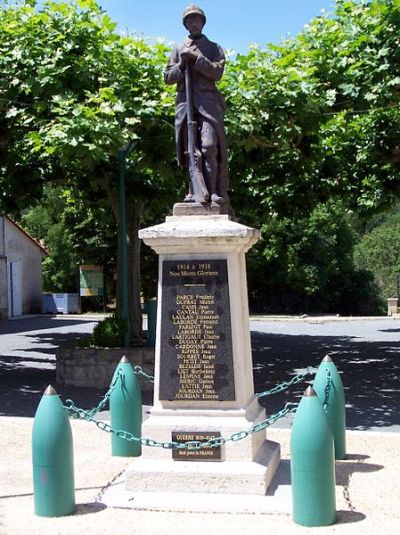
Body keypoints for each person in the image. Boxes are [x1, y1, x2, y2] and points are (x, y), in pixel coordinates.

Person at [165, 4, 229, 204]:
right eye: (190, 20)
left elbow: (216, 73)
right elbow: (168, 77)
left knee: (209, 146)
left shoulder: (213, 48)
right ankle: (194, 191)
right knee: (190, 149)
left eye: (197, 19)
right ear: (186, 24)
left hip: (208, 104)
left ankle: (215, 192)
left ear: (202, 22)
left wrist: (197, 58)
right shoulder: (178, 48)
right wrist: (182, 64)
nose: (194, 23)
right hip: (186, 104)